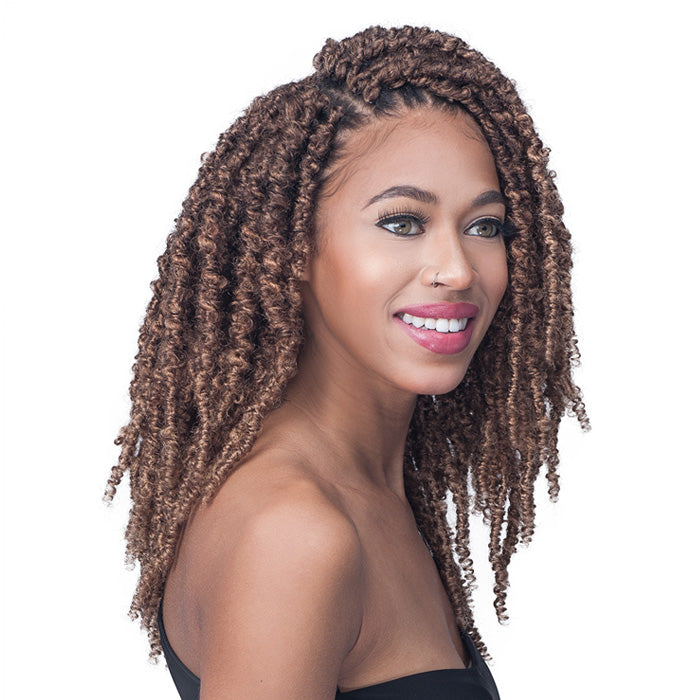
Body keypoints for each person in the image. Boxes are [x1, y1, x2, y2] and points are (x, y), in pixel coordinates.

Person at [105, 24, 588, 700]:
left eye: (485, 227)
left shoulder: (370, 486)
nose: (457, 270)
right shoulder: (295, 535)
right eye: (402, 223)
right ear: (290, 249)